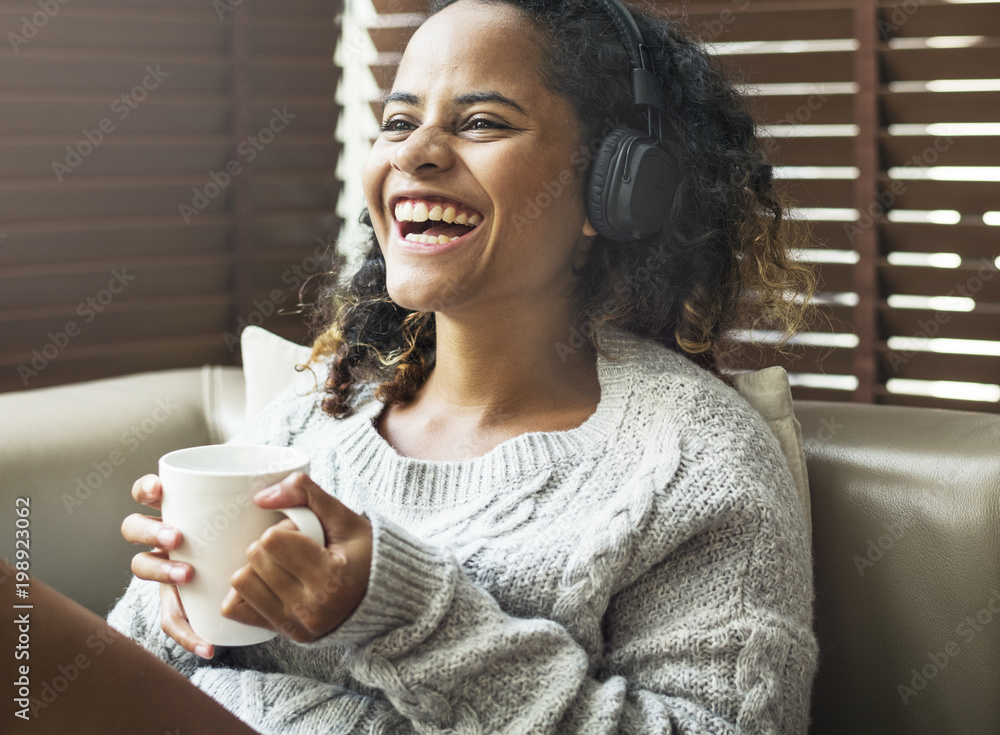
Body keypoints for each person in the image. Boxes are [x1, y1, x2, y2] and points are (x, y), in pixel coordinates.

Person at [113, 0, 820, 732]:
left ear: (614, 188)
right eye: (397, 121)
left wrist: (398, 611)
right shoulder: (316, 414)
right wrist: (181, 615)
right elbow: (116, 688)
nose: (413, 153)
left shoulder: (694, 465)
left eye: (481, 122)